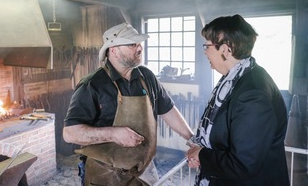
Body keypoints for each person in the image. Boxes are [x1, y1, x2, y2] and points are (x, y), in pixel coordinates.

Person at [63, 22, 194, 186]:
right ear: (114, 50)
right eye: (132, 44)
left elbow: (168, 110)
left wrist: (192, 139)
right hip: (105, 175)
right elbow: (70, 133)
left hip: (143, 172)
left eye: (139, 44)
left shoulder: (147, 77)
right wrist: (113, 134)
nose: (139, 48)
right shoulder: (92, 85)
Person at [187, 14, 289, 186]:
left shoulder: (252, 94)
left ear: (226, 50)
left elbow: (243, 165)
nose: (204, 51)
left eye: (207, 46)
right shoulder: (235, 78)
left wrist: (202, 155)